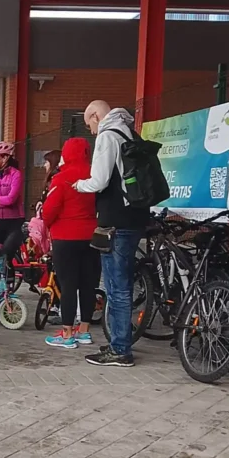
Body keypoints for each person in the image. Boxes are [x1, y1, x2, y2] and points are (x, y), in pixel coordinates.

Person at [73, 100, 149, 368]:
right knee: (123, 284)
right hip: (135, 217)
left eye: (89, 124)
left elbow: (100, 179)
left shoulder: (108, 135)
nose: (91, 131)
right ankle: (120, 340)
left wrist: (79, 185)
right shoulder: (129, 132)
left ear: (96, 115)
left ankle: (120, 350)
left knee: (117, 288)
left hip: (115, 220)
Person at [42, 137, 99, 350]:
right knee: (87, 285)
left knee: (68, 286)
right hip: (92, 236)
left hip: (65, 237)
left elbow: (50, 210)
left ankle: (66, 333)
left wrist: (45, 225)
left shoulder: (61, 178)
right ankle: (84, 331)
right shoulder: (97, 175)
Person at [0, 141, 25, 246]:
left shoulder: (16, 174)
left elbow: (11, 199)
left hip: (14, 221)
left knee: (6, 252)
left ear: (4, 158)